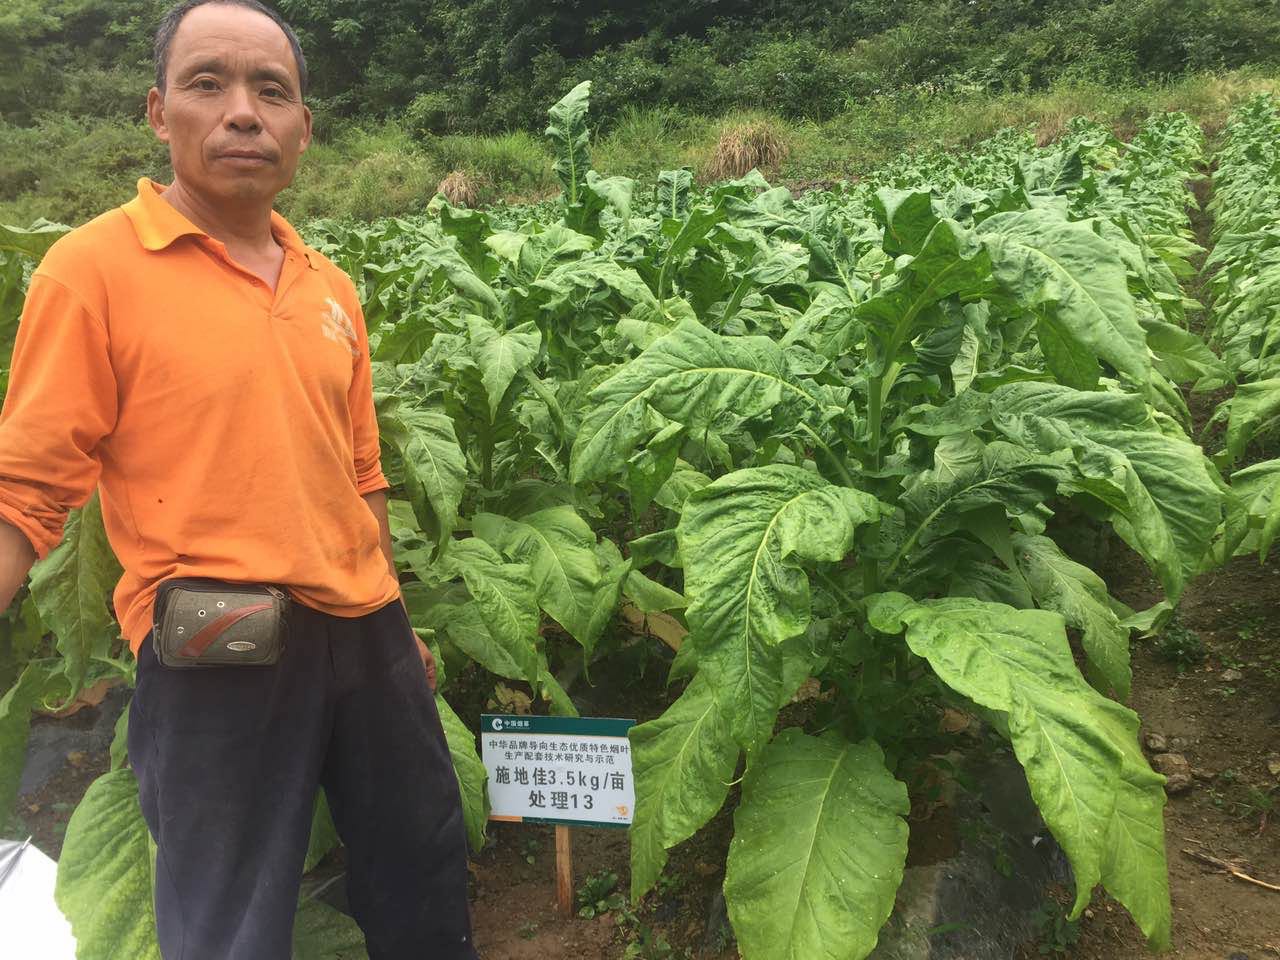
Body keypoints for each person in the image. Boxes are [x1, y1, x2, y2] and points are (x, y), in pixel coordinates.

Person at [0, 2, 478, 957]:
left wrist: (398, 615)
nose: (244, 112)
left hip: (368, 631)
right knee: (229, 920)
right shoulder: (89, 271)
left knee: (423, 874)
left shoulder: (327, 284)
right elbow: (24, 490)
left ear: (305, 125)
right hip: (220, 641)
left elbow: (359, 470)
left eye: (273, 90)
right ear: (157, 110)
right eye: (208, 82)